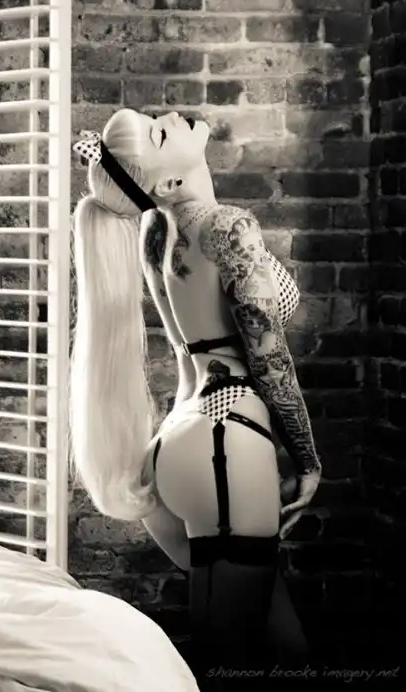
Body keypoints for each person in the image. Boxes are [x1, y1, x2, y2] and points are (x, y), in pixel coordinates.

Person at [70, 108, 322, 671]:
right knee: (229, 660)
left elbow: (198, 346)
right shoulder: (229, 228)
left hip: (178, 442)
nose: (172, 115)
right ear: (166, 183)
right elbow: (270, 358)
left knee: (287, 648)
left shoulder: (156, 232)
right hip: (226, 442)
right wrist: (307, 460)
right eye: (160, 132)